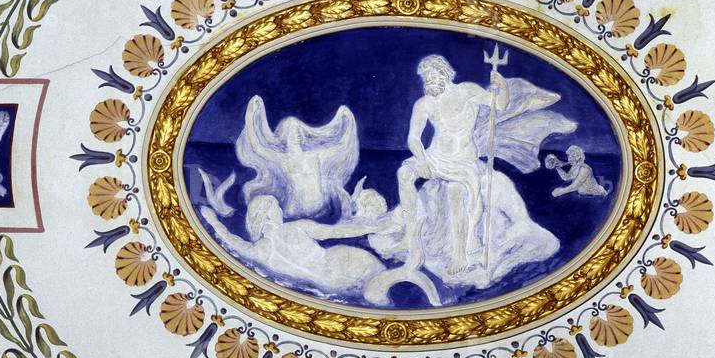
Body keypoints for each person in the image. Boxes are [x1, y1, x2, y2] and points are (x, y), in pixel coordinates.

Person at [396, 55, 509, 277]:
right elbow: (413, 138)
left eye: (431, 74)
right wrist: (422, 160)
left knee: (455, 192)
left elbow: (500, 105)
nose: (428, 80)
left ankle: (460, 255)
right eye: (425, 77)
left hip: (463, 160)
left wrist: (502, 85)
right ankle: (411, 234)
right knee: (404, 173)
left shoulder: (467, 90)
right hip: (435, 157)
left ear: (444, 73)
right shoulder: (424, 103)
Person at [199, 195, 384, 296]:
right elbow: (338, 232)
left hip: (328, 284)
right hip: (343, 267)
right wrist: (373, 227)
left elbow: (231, 240)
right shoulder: (296, 227)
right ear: (269, 214)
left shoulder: (259, 250)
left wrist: (213, 220)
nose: (280, 210)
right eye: (277, 207)